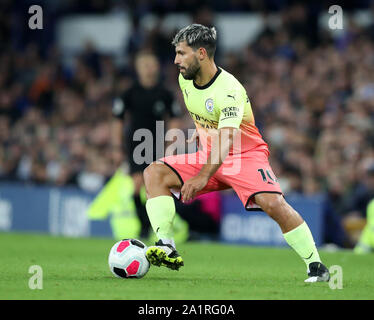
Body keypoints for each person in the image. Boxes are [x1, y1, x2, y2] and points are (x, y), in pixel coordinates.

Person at [143, 24, 330, 283]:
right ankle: (166, 246)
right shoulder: (184, 79)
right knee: (154, 172)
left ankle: (316, 266)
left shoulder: (229, 89)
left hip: (244, 156)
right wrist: (202, 134)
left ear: (201, 53)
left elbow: (228, 138)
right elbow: (208, 122)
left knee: (273, 204)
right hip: (210, 155)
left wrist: (200, 178)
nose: (176, 61)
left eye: (181, 53)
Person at [111, 50, 180, 238]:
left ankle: (160, 225)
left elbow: (174, 119)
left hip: (157, 143)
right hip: (136, 144)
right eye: (145, 65)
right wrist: (117, 147)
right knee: (137, 185)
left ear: (157, 67)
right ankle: (144, 225)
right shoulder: (129, 93)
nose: (149, 69)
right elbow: (118, 120)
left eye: (152, 65)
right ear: (138, 68)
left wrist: (171, 145)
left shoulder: (165, 94)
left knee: (158, 186)